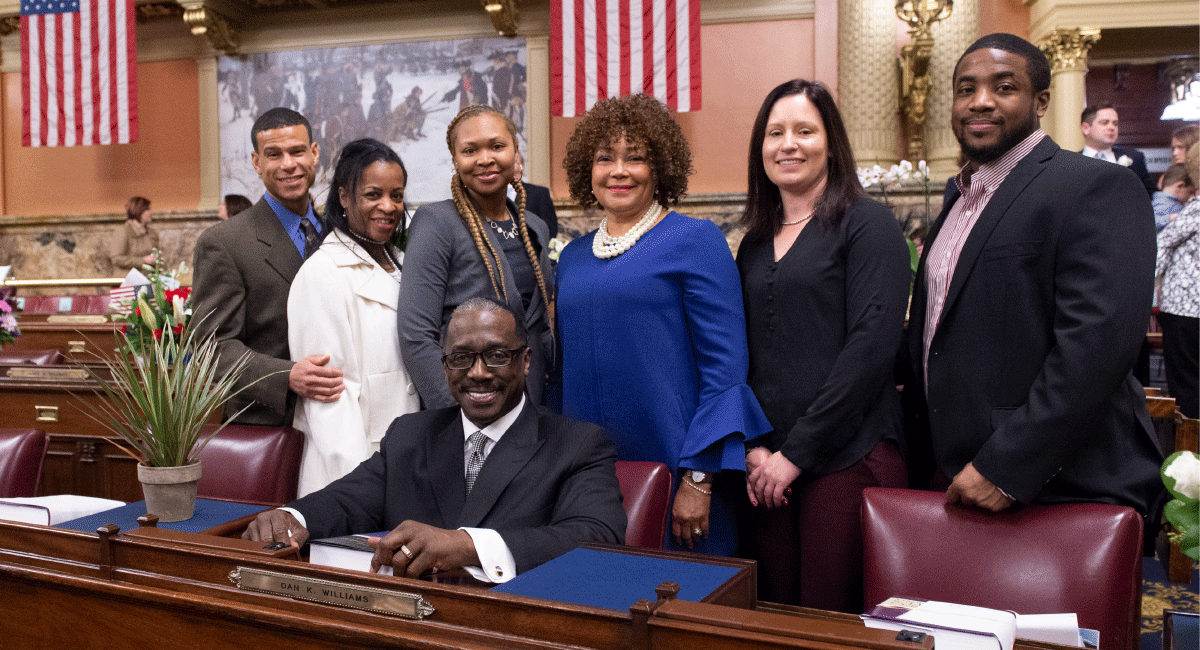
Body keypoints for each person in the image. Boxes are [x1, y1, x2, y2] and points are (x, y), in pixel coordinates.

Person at [904, 34, 1165, 523]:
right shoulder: (959, 201)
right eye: (966, 89)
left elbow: (1096, 347)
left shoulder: (1096, 187)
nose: (980, 101)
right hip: (958, 479)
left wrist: (1006, 467)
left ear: (1040, 101)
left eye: (1004, 87)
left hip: (1060, 485)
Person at [244, 298, 626, 582]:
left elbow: (597, 537)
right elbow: (347, 499)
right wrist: (290, 516)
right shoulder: (411, 434)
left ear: (525, 361)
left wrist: (467, 545)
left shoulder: (577, 444)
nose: (478, 373)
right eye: (461, 358)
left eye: (496, 355)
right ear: (445, 367)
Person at [557, 93, 771, 556]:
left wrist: (699, 478)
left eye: (636, 158)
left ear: (660, 169)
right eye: (604, 159)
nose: (619, 171)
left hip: (681, 475)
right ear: (585, 170)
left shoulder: (695, 240)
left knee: (685, 612)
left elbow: (724, 370)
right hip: (589, 480)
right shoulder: (572, 258)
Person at [736, 79, 910, 611]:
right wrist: (754, 448)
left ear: (831, 142)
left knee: (829, 619)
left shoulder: (868, 224)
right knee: (771, 613)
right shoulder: (754, 240)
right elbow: (741, 352)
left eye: (804, 131)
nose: (788, 144)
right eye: (775, 133)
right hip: (766, 469)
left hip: (845, 456)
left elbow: (871, 350)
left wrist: (795, 455)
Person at [192, 108, 344, 426]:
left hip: (342, 418)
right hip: (272, 426)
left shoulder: (339, 233)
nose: (288, 164)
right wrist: (286, 376)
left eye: (297, 151)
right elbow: (210, 349)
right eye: (274, 154)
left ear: (314, 153)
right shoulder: (224, 242)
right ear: (257, 162)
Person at [288, 138, 420, 496]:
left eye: (396, 195)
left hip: (405, 458)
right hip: (351, 472)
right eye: (373, 194)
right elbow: (329, 398)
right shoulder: (323, 273)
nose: (388, 206)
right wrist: (361, 486)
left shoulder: (404, 263)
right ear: (344, 197)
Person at [400, 105, 554, 409]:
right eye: (470, 150)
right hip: (469, 408)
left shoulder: (535, 227)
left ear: (514, 151)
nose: (485, 159)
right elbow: (416, 336)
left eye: (497, 146)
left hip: (531, 408)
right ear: (456, 160)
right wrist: (458, 420)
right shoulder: (437, 223)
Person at [1155, 143, 1199, 419]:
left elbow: (1162, 245)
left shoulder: (1194, 210)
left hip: (1186, 310)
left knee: (1186, 385)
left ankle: (1190, 450)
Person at [1080, 103, 1155, 196]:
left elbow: (1149, 194)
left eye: (1115, 123)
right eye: (1104, 122)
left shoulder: (1135, 158)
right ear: (1086, 128)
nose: (1112, 127)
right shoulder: (1070, 163)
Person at [512, 151, 559, 238]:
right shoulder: (491, 195)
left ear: (521, 166)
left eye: (512, 162)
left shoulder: (539, 193)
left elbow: (550, 229)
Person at [110, 196, 158, 271]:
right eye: (148, 209)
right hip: (128, 279)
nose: (151, 212)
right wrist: (143, 260)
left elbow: (157, 256)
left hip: (148, 278)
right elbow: (116, 259)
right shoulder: (123, 231)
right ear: (139, 211)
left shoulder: (152, 233)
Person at [1153, 163, 1194, 232]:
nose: (1191, 196)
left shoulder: (1160, 202)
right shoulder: (1164, 205)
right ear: (1180, 186)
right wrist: (1169, 218)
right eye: (1190, 192)